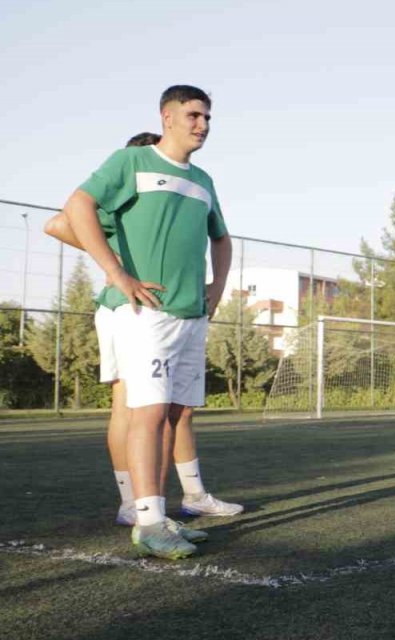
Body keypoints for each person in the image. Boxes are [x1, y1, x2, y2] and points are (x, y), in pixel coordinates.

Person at [60, 85, 232, 559]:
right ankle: (148, 522)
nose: (203, 125)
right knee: (147, 413)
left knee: (174, 415)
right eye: (194, 115)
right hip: (146, 313)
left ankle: (164, 515)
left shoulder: (203, 180)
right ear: (168, 117)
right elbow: (75, 208)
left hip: (191, 316)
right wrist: (118, 273)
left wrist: (217, 288)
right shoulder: (131, 162)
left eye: (208, 118)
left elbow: (222, 238)